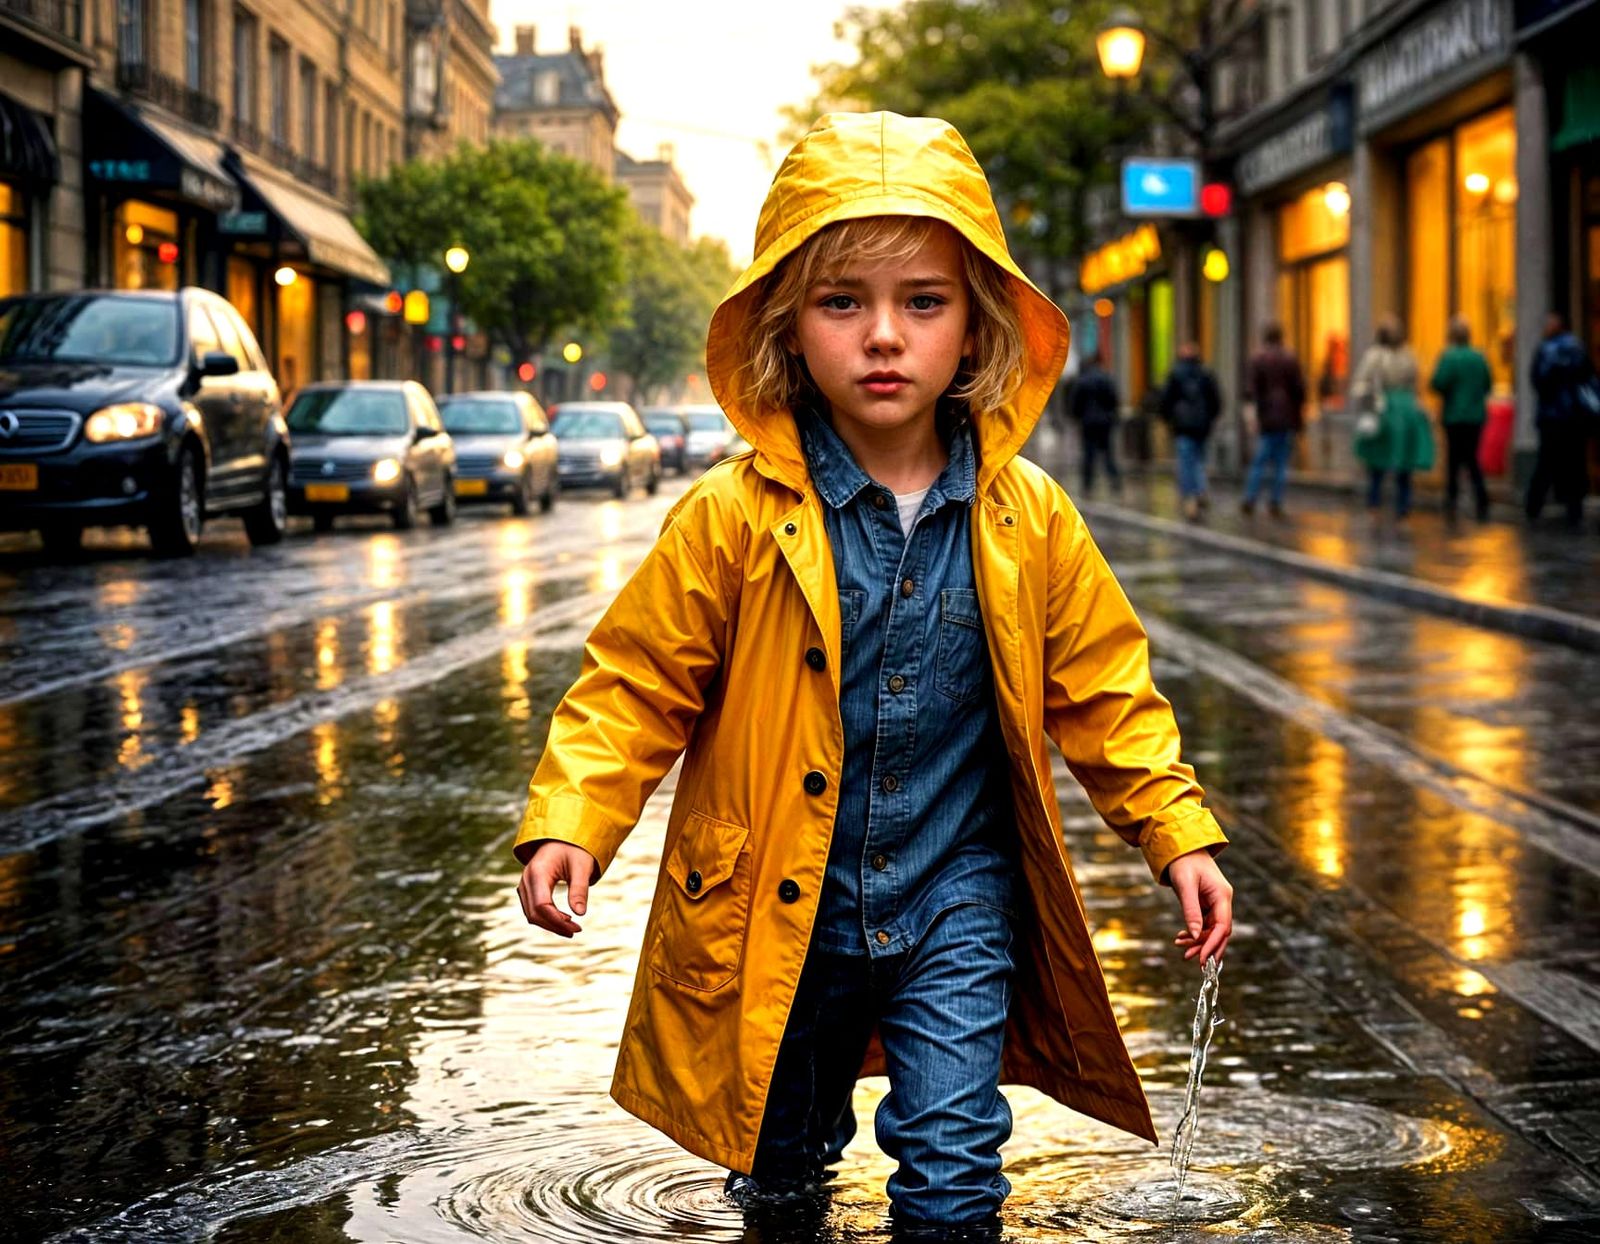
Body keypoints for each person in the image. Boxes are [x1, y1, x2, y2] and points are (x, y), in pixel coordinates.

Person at [511, 112, 1233, 1242]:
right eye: (843, 302)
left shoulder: (1026, 517)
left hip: (958, 896)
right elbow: (634, 682)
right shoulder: (732, 517)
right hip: (777, 909)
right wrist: (572, 820)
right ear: (789, 328)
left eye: (922, 302)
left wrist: (1174, 830)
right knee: (783, 1173)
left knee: (953, 1172)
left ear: (976, 324)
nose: (883, 335)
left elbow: (1104, 688)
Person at [1352, 315, 1434, 518]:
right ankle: (1402, 506)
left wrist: (1367, 401)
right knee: (1404, 460)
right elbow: (1418, 382)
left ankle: (1374, 503)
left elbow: (1361, 383)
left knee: (1378, 459)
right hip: (1406, 408)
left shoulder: (1375, 356)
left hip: (1384, 409)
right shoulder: (1409, 355)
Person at [1525, 312, 1597, 529]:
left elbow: (1537, 380)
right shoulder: (1577, 347)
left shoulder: (1546, 350)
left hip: (1552, 416)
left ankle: (1534, 506)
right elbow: (1588, 376)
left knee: (1546, 461)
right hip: (1574, 416)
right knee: (1574, 462)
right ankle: (1574, 508)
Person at [1429, 316, 1492, 522]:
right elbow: (1487, 384)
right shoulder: (1479, 357)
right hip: (1475, 415)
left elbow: (1438, 383)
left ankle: (1452, 498)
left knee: (1454, 459)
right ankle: (1481, 496)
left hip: (1455, 415)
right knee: (1472, 456)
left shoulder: (1449, 357)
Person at [1242, 323, 1306, 517]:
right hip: (1286, 417)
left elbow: (1250, 390)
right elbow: (1300, 390)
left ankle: (1250, 497)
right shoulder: (1290, 359)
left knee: (1260, 460)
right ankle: (1275, 501)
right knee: (1281, 463)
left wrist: (1253, 415)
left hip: (1267, 416)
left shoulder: (1258, 359)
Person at [1158, 342, 1222, 520]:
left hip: (1183, 426)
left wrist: (1167, 419)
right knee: (1199, 461)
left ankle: (1191, 499)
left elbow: (1166, 400)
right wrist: (1210, 418)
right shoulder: (1206, 373)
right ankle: (1201, 490)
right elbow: (1216, 400)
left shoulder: (1175, 374)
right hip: (1202, 425)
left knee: (1186, 463)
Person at [1067, 355, 1122, 495]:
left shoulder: (1082, 381)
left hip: (1088, 422)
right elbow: (1114, 400)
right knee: (1108, 453)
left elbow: (1075, 403)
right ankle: (1115, 482)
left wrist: (1077, 417)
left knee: (1088, 454)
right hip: (1104, 422)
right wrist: (1111, 416)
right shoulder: (1106, 379)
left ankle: (1087, 485)